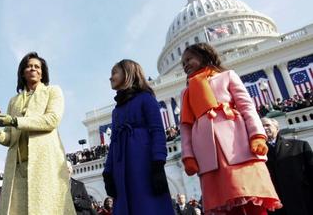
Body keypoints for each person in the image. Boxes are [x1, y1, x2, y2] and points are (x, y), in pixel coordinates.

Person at [180, 43, 282, 214]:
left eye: (189, 59)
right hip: (208, 154)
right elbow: (185, 128)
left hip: (237, 145)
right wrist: (188, 156)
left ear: (204, 56)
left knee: (251, 198)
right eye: (183, 63)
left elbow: (247, 107)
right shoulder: (186, 92)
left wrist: (257, 135)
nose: (185, 65)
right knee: (224, 205)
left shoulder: (227, 76)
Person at [0, 52, 75, 215]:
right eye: (29, 66)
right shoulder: (14, 101)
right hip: (17, 168)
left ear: (42, 72)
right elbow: (10, 138)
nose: (33, 68)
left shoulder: (53, 91)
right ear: (22, 72)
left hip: (44, 164)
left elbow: (52, 120)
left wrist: (13, 121)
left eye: (37, 66)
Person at [102, 59, 175, 214]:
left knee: (147, 206)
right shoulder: (116, 111)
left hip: (143, 163)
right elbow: (113, 142)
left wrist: (158, 164)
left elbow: (157, 131)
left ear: (128, 73)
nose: (110, 77)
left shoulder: (146, 98)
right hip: (121, 166)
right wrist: (108, 172)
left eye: (114, 72)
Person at [262, 117, 313, 215]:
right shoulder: (257, 154)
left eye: (267, 125)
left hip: (304, 201)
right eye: (261, 126)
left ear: (277, 128)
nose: (264, 128)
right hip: (278, 207)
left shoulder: (300, 145)